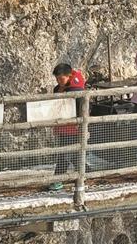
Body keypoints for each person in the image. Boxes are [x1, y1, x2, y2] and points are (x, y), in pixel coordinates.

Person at [48, 63, 86, 191]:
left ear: (69, 76)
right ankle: (84, 173)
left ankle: (57, 180)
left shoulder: (76, 89)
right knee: (73, 154)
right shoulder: (58, 88)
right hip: (63, 126)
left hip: (72, 128)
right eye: (57, 79)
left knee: (64, 154)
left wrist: (80, 125)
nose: (59, 81)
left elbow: (81, 108)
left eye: (61, 78)